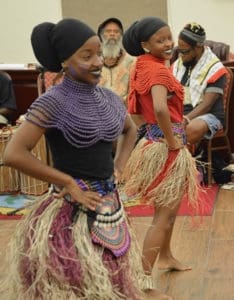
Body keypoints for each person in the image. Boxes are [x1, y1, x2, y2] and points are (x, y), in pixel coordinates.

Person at [0, 18, 161, 299]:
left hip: (108, 208)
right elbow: (12, 154)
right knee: (75, 284)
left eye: (98, 53)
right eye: (86, 56)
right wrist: (68, 182)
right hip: (67, 214)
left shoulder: (109, 98)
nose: (97, 61)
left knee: (110, 281)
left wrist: (119, 167)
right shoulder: (52, 102)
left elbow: (130, 130)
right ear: (64, 61)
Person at [121, 16, 201, 290]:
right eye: (160, 40)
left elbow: (136, 109)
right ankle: (143, 280)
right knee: (164, 215)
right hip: (166, 149)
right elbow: (159, 108)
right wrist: (172, 140)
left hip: (154, 143)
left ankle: (165, 256)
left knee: (167, 208)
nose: (168, 44)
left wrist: (176, 123)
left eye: (169, 38)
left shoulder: (142, 65)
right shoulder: (157, 70)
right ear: (145, 44)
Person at [171, 22, 227, 148]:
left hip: (208, 116)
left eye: (185, 51)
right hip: (181, 114)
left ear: (198, 47)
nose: (181, 55)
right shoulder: (178, 65)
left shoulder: (215, 68)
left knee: (191, 128)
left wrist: (185, 119)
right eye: (179, 51)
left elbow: (207, 105)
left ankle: (182, 164)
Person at [97, 17, 136, 106]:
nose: (112, 34)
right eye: (108, 31)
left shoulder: (131, 62)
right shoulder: (94, 63)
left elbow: (133, 93)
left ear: (121, 36)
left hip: (123, 114)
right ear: (101, 36)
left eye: (116, 32)